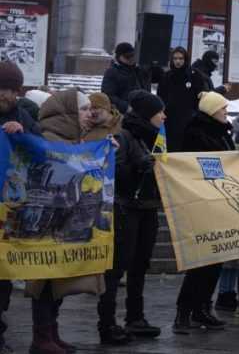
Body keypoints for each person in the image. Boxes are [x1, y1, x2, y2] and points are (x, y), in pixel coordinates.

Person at [30, 90, 105, 354]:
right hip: (49, 223)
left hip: (66, 222)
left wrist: (104, 154)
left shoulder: (75, 140)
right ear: (68, 113)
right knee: (45, 282)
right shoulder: (50, 139)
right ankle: (41, 337)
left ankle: (52, 333)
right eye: (84, 109)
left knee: (57, 281)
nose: (90, 114)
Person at [97, 91, 166, 344]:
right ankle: (107, 323)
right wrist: (138, 168)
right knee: (117, 268)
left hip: (147, 207)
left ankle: (135, 317)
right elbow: (114, 172)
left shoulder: (154, 138)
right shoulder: (125, 136)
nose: (164, 116)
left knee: (141, 265)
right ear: (148, 114)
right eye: (160, 112)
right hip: (126, 208)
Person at [173, 91, 234, 335]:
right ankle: (183, 312)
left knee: (216, 260)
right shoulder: (196, 132)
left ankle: (203, 308)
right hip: (201, 202)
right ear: (211, 111)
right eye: (223, 110)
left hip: (220, 201)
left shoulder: (222, 131)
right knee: (200, 262)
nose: (226, 114)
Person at [0, 62, 38, 354]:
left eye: (10, 90)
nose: (4, 95)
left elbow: (41, 150)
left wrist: (22, 134)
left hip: (11, 208)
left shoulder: (25, 115)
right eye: (1, 89)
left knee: (2, 275)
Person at [158, 47, 202, 152]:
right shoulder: (166, 76)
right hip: (170, 121)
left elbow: (200, 96)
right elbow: (160, 97)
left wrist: (195, 114)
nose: (178, 61)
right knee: (171, 149)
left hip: (189, 121)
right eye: (175, 58)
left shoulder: (194, 75)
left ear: (185, 59)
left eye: (181, 58)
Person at [101, 43, 153, 114]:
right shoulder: (112, 72)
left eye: (132, 55)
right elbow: (108, 95)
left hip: (142, 112)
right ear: (119, 57)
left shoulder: (139, 70)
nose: (131, 58)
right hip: (123, 114)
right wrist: (126, 107)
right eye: (127, 56)